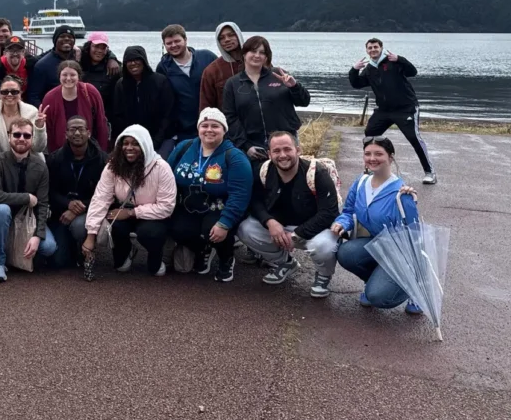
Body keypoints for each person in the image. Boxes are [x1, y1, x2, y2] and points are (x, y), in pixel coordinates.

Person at [237, 131, 340, 297]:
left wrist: (298, 234)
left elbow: (330, 213)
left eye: (287, 149)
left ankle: (323, 275)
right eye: (276, 151)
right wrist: (269, 222)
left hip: (314, 228)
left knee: (325, 246)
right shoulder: (264, 170)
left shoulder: (317, 173)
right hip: (281, 226)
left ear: (297, 150)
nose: (283, 155)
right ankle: (285, 263)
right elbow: (255, 201)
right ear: (269, 154)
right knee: (245, 229)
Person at [332, 137, 423, 313]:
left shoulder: (402, 194)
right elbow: (349, 211)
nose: (372, 158)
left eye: (378, 154)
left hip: (401, 253)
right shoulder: (361, 182)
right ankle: (374, 281)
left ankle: (415, 287)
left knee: (378, 297)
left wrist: (414, 266)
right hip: (377, 244)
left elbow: (414, 237)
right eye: (368, 154)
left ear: (390, 157)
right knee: (345, 252)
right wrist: (341, 223)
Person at [167, 108, 259, 283]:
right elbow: (166, 177)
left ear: (224, 130)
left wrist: (225, 223)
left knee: (213, 230)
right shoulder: (183, 147)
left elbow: (240, 194)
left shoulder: (234, 157)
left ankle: (226, 258)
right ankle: (203, 249)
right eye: (205, 125)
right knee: (176, 229)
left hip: (220, 209)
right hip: (188, 206)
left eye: (215, 126)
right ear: (198, 128)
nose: (209, 130)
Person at [81, 126, 176, 276]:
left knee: (150, 237)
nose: (129, 148)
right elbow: (100, 198)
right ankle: (126, 252)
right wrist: (90, 235)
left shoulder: (161, 168)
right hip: (123, 209)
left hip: (153, 216)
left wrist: (132, 212)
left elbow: (166, 207)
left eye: (135, 143)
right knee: (120, 262)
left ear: (145, 145)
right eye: (125, 143)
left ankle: (156, 258)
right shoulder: (113, 166)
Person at [349, 38, 436, 184]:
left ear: (381, 48)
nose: (373, 50)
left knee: (414, 138)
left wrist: (400, 59)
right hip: (384, 110)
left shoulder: (393, 62)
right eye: (369, 48)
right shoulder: (369, 69)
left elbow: (412, 72)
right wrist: (354, 69)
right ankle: (374, 167)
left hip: (406, 108)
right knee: (370, 134)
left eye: (375, 47)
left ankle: (429, 172)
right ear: (367, 51)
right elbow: (357, 84)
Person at [0, 118, 57, 282]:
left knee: (49, 247)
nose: (21, 138)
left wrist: (38, 235)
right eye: (16, 134)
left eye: (26, 135)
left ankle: (15, 250)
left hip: (27, 220)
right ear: (8, 136)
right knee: (3, 209)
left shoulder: (40, 166)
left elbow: (43, 204)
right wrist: (26, 198)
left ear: (32, 138)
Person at [223, 35, 310, 168]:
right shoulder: (233, 84)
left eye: (262, 52)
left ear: (267, 57)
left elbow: (304, 101)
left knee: (288, 182)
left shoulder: (279, 76)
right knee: (259, 184)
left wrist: (294, 86)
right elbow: (230, 118)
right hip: (254, 148)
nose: (257, 55)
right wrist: (246, 146)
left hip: (285, 143)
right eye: (253, 51)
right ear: (244, 54)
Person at [46, 115, 108, 268]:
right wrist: (68, 204)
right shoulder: (55, 159)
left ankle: (84, 246)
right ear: (66, 134)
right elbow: (50, 191)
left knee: (79, 226)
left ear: (88, 133)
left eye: (81, 129)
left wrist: (78, 209)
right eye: (72, 129)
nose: (77, 133)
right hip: (61, 213)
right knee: (59, 262)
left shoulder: (102, 160)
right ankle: (71, 246)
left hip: (89, 210)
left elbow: (105, 195)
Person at [155, 23, 218, 158]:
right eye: (169, 43)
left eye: (177, 41)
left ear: (185, 40)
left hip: (211, 124)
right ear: (164, 45)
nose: (173, 45)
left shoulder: (207, 57)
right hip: (184, 130)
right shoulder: (163, 68)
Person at [111, 46, 175, 152]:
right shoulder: (121, 85)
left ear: (144, 61)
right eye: (129, 61)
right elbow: (118, 116)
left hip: (160, 138)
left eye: (137, 59)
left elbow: (168, 114)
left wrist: (156, 141)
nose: (133, 63)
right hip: (132, 140)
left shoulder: (160, 82)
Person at [0, 75, 47, 167]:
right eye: (5, 92)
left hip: (31, 165)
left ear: (20, 93)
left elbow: (38, 147)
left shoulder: (32, 111)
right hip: (2, 166)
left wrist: (40, 128)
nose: (9, 95)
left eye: (14, 92)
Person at [40, 61, 107, 152]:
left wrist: (102, 151)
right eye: (64, 75)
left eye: (72, 75)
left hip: (89, 149)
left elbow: (101, 122)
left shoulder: (90, 92)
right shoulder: (50, 98)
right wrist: (54, 155)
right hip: (61, 150)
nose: (68, 78)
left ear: (79, 76)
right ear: (59, 76)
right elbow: (49, 131)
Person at [27, 25, 81, 106]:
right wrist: (44, 113)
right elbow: (33, 95)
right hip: (53, 111)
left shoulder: (79, 59)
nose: (66, 39)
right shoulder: (42, 65)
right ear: (55, 41)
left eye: (70, 37)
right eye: (62, 36)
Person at [199, 21, 245, 111]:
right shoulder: (212, 71)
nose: (226, 39)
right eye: (221, 38)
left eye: (231, 35)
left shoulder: (256, 62)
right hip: (227, 123)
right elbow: (206, 108)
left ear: (239, 35)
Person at [79, 32, 120, 119]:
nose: (99, 51)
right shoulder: (77, 62)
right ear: (88, 46)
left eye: (103, 48)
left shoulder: (113, 68)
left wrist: (112, 58)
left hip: (103, 117)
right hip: (78, 116)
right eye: (96, 46)